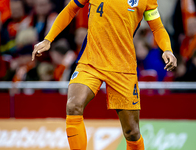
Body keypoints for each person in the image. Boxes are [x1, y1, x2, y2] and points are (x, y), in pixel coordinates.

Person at [32, 0, 177, 149]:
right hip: (91, 62)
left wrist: (167, 49)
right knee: (73, 106)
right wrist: (48, 38)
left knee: (132, 132)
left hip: (123, 68)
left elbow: (157, 27)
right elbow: (71, 9)